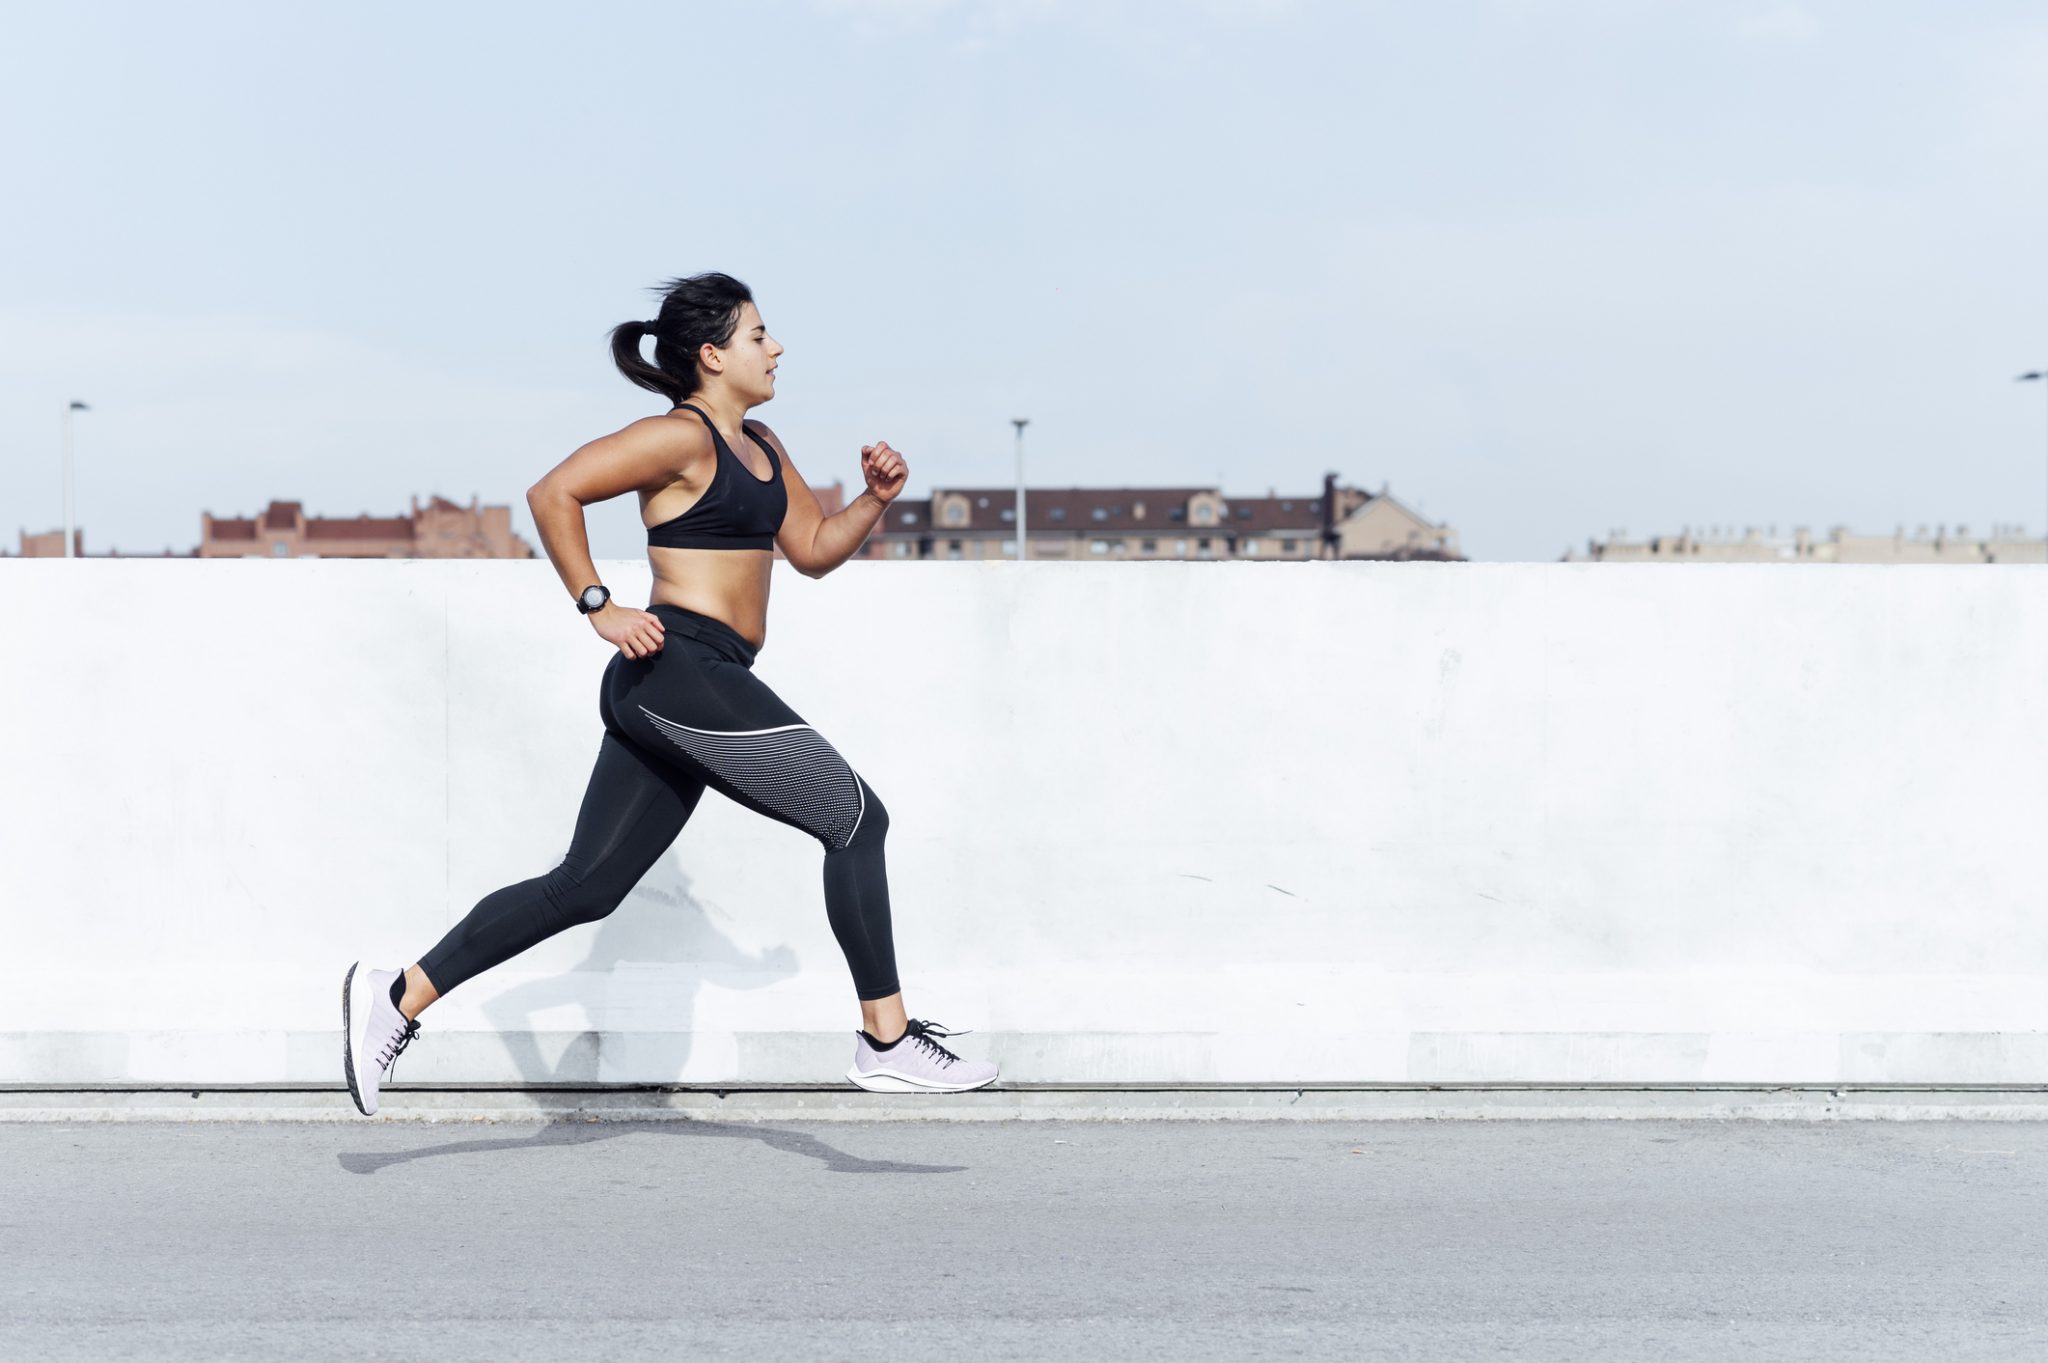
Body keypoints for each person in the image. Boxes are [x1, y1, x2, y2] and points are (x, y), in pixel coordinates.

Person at [343, 272, 997, 1116]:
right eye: (761, 335)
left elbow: (812, 548)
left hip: (694, 680)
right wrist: (598, 606)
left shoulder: (763, 445)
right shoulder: (680, 439)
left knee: (584, 887)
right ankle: (886, 1038)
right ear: (714, 354)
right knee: (855, 817)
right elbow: (553, 493)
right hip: (677, 666)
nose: (778, 347)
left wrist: (872, 500)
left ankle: (395, 997)